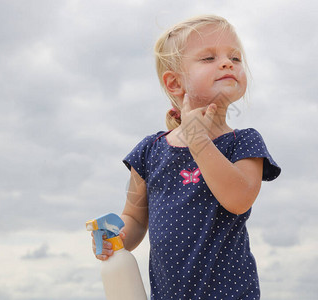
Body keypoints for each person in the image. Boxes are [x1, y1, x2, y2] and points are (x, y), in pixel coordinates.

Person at [92, 15, 281, 299]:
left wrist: (198, 139)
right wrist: (117, 240)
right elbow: (133, 216)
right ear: (174, 84)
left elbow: (239, 199)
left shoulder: (243, 142)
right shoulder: (150, 151)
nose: (228, 63)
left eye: (235, 57)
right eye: (208, 58)